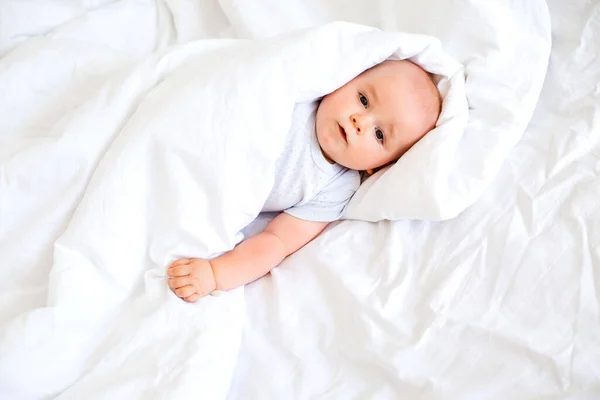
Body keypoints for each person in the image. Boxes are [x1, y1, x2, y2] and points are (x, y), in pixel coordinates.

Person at [167, 59, 441, 302]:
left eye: (379, 135)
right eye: (364, 100)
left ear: (378, 167)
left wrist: (216, 274)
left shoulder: (336, 189)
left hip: (201, 198)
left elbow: (276, 242)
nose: (360, 121)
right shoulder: (298, 96)